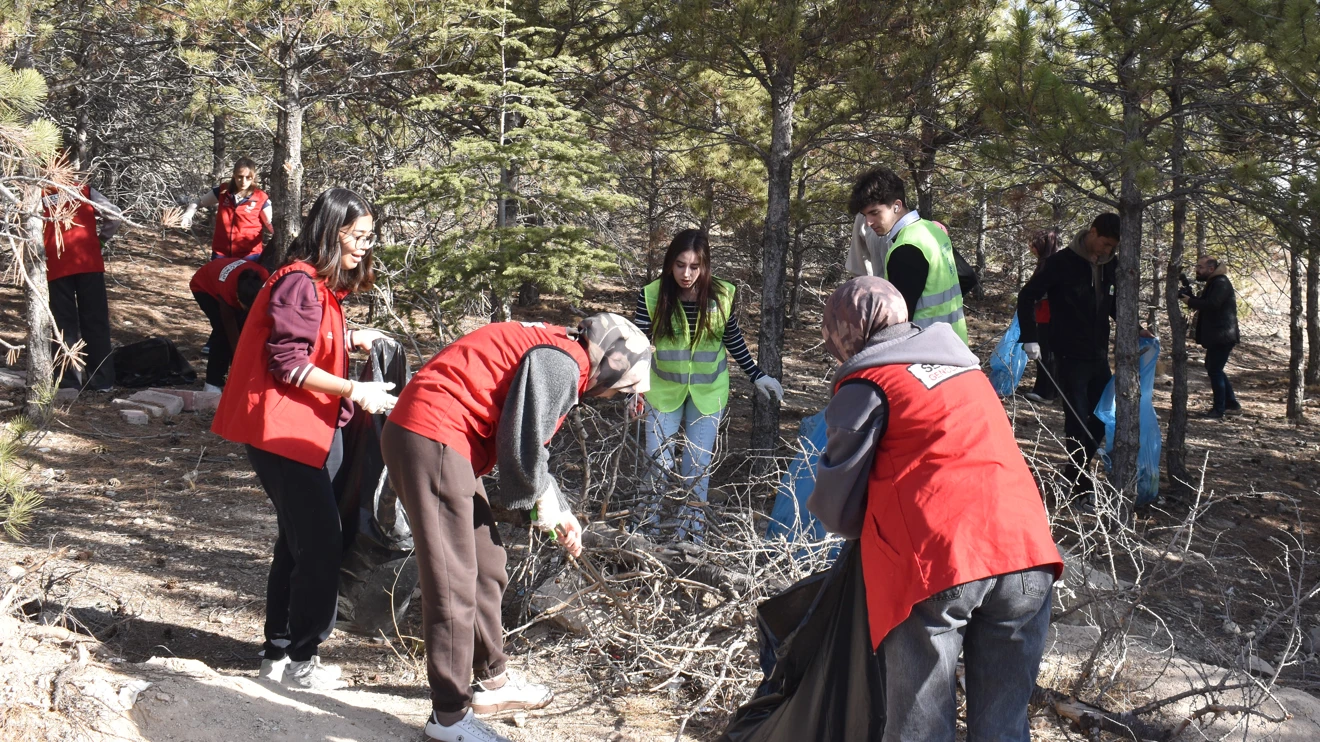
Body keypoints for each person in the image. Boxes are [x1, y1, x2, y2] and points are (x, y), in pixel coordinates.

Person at [808, 276, 1063, 742]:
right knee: (1003, 726)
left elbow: (836, 505)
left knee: (921, 728)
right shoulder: (965, 369)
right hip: (1027, 555)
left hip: (941, 563)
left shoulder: (868, 384)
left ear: (847, 330)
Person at [383, 314, 651, 742]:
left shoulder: (563, 352)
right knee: (453, 579)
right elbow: (522, 445)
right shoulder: (561, 363)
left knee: (487, 563)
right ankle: (448, 717)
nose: (612, 397)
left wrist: (557, 513)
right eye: (621, 389)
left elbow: (528, 447)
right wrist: (553, 511)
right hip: (430, 435)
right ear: (611, 365)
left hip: (446, 441)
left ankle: (492, 682)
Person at [211, 188, 396, 690]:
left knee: (297, 540)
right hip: (282, 431)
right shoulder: (299, 282)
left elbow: (310, 338)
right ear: (333, 231)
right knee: (319, 542)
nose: (365, 246)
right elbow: (289, 363)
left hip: (307, 429)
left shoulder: (318, 285)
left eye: (369, 237)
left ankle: (279, 651)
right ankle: (302, 660)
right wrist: (355, 388)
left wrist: (351, 338)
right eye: (358, 236)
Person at [633, 229, 783, 540]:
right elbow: (637, 345)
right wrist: (631, 386)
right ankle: (645, 528)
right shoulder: (651, 294)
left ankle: (692, 532)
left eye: (694, 266)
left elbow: (732, 339)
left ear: (705, 266)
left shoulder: (722, 294)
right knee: (657, 462)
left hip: (707, 392)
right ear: (669, 264)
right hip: (663, 391)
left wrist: (757, 375)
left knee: (696, 465)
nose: (686, 274)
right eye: (679, 265)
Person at [1016, 213, 1120, 496]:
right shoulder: (1061, 262)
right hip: (1067, 353)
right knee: (1076, 419)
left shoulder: (1111, 264)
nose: (1108, 251)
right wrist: (1030, 337)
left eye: (1113, 247)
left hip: (1098, 353)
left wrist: (1135, 328)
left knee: (1102, 416)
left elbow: (1112, 305)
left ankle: (1074, 473)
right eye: (1105, 243)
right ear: (1093, 232)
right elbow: (1027, 296)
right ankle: (1081, 486)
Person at [846, 167, 967, 343]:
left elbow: (896, 322)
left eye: (874, 213)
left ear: (897, 206)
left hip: (924, 352)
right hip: (955, 344)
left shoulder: (905, 248)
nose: (868, 222)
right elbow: (967, 277)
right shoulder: (933, 230)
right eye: (864, 215)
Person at [43, 181, 121, 391]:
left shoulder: (36, 191)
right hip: (88, 261)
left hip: (55, 264)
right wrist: (100, 240)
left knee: (63, 323)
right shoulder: (83, 189)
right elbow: (114, 214)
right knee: (95, 320)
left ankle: (68, 383)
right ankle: (102, 380)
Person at [188, 257, 269, 392]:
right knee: (222, 333)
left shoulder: (265, 278)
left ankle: (236, 376)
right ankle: (213, 382)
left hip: (225, 273)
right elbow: (230, 327)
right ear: (237, 297)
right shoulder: (227, 291)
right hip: (203, 287)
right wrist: (240, 356)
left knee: (243, 326)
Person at [1180, 255, 1240, 418]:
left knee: (1214, 370)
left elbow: (1213, 305)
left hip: (1223, 335)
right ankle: (1231, 403)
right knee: (1214, 369)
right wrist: (1190, 298)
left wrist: (1190, 302)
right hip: (1219, 335)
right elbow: (1207, 302)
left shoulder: (1220, 282)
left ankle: (1219, 409)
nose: (1197, 270)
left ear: (1211, 269)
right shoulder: (1215, 282)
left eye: (1200, 267)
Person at [179, 157, 273, 261]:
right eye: (240, 177)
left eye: (248, 177)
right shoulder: (223, 191)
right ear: (234, 175)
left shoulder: (261, 197)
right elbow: (198, 202)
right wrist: (188, 215)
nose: (243, 181)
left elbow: (270, 224)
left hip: (249, 256)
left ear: (254, 177)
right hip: (221, 253)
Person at [1023, 228, 1061, 404]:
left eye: (1035, 245)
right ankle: (1050, 390)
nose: (1032, 248)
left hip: (1048, 314)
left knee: (1047, 353)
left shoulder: (1050, 264)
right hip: (1044, 314)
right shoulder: (1048, 262)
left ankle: (1047, 392)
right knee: (1047, 352)